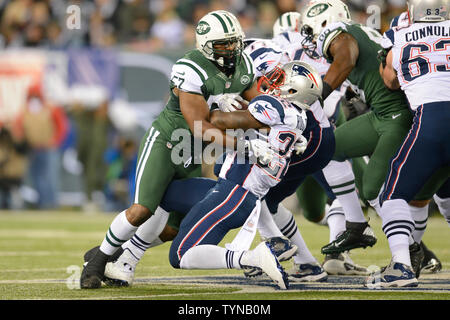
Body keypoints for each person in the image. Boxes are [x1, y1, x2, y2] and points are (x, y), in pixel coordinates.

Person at [80, 10, 262, 289]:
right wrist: (243, 142)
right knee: (142, 210)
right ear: (205, 46)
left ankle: (118, 252)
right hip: (167, 143)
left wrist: (284, 125)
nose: (232, 49)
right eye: (223, 44)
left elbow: (262, 108)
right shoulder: (190, 68)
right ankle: (97, 262)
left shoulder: (243, 65)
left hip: (190, 152)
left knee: (173, 227)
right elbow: (200, 126)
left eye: (234, 42)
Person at [169, 61, 319, 290]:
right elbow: (259, 124)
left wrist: (215, 102)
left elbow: (219, 121)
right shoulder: (299, 116)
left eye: (281, 80)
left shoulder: (275, 106)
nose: (274, 82)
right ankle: (127, 252)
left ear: (293, 90)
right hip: (241, 194)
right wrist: (240, 104)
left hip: (234, 193)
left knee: (179, 255)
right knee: (168, 193)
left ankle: (250, 258)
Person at [243, 34, 369, 276]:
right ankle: (305, 261)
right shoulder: (275, 52)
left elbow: (266, 101)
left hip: (307, 139)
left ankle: (274, 249)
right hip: (313, 135)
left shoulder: (256, 62)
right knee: (266, 200)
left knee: (249, 190)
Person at [300, 0, 410, 255]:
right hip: (382, 114)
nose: (311, 37)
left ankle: (410, 252)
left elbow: (346, 58)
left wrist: (315, 96)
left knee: (373, 189)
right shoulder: (360, 31)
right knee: (327, 149)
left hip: (395, 116)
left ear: (324, 22)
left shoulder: (338, 31)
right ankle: (356, 225)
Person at [366, 0, 450, 288]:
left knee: (392, 194)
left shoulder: (400, 35)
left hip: (432, 118)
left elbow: (389, 80)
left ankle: (401, 265)